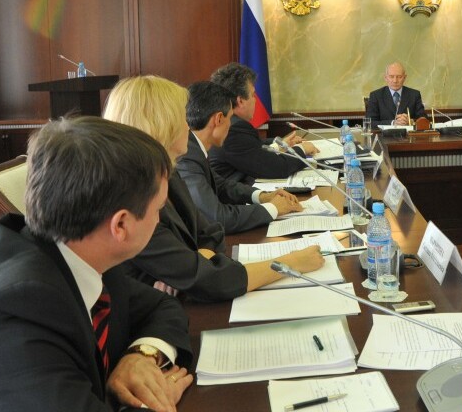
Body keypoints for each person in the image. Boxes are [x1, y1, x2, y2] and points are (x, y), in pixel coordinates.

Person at [0, 117, 193, 411]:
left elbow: (162, 306)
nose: (159, 220)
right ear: (121, 225)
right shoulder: (11, 316)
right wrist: (150, 401)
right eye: (158, 208)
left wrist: (142, 356)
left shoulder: (80, 250)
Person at [103, 76, 324, 302]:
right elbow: (212, 279)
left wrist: (196, 262)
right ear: (162, 127)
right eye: (182, 118)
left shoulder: (168, 172)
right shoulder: (133, 202)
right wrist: (292, 262)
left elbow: (211, 231)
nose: (189, 126)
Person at [177, 81, 302, 234]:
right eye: (230, 118)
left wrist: (262, 196)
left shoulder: (194, 147)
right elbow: (217, 218)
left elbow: (222, 186)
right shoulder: (186, 157)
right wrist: (273, 208)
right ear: (218, 119)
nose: (231, 125)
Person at [208, 62, 320, 184]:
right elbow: (276, 168)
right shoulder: (234, 128)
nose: (255, 100)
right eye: (253, 95)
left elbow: (252, 146)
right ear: (240, 101)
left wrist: (280, 144)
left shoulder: (227, 122)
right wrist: (302, 150)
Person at [365, 61, 426, 125]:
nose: (395, 81)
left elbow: (423, 119)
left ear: (404, 78)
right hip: (385, 132)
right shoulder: (376, 96)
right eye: (391, 76)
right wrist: (393, 123)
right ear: (386, 78)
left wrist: (411, 121)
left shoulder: (414, 95)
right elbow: (370, 122)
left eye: (399, 77)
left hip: (408, 131)